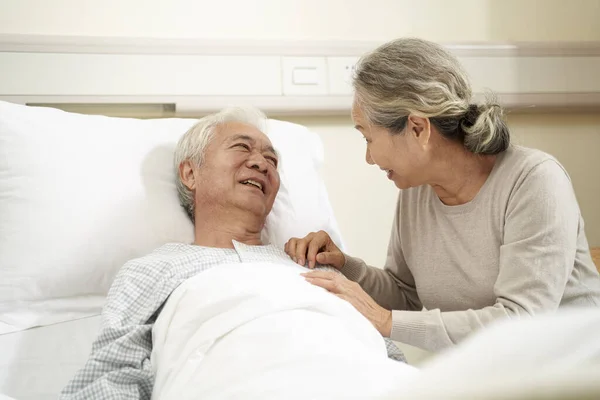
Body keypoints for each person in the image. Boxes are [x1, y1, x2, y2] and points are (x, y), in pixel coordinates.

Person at [60, 107, 405, 399]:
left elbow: (387, 354)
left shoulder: (311, 265)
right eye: (242, 148)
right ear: (190, 173)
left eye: (271, 159)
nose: (262, 164)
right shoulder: (152, 270)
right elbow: (112, 375)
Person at [285, 37, 600, 352]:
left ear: (418, 129)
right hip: (486, 372)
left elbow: (521, 321)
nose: (369, 158)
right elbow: (405, 295)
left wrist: (384, 321)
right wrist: (343, 266)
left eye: (368, 138)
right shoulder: (417, 190)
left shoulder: (533, 180)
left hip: (572, 369)